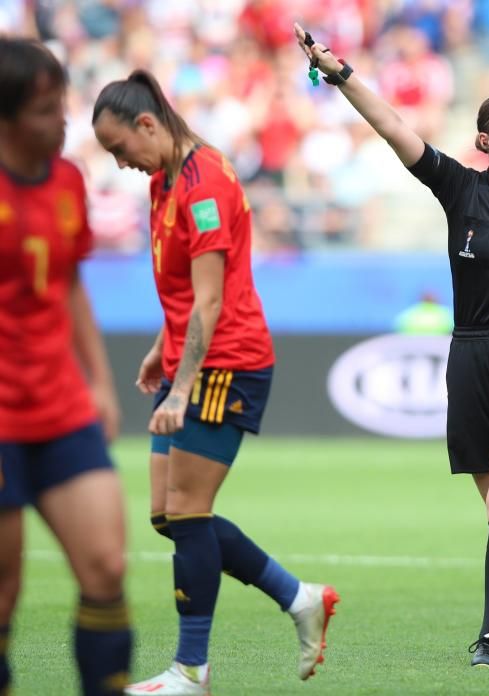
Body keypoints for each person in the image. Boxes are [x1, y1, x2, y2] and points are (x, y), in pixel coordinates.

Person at [296, 23, 489, 667]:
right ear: (485, 142)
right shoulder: (460, 189)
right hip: (471, 356)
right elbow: (392, 126)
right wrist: (339, 73)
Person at [91, 70, 337, 696]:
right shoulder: (163, 179)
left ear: (148, 125)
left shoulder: (203, 186)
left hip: (226, 363)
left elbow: (208, 303)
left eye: (122, 149)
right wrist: (158, 351)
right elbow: (179, 296)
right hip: (188, 360)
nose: (122, 164)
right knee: (168, 517)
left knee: (188, 513)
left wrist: (180, 388)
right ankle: (298, 596)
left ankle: (192, 670)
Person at [0, 38, 132, 696]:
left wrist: (100, 383)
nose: (64, 122)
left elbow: (72, 285)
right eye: (48, 110)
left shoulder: (67, 181)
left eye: (63, 105)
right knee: (4, 594)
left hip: (60, 407)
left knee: (107, 565)